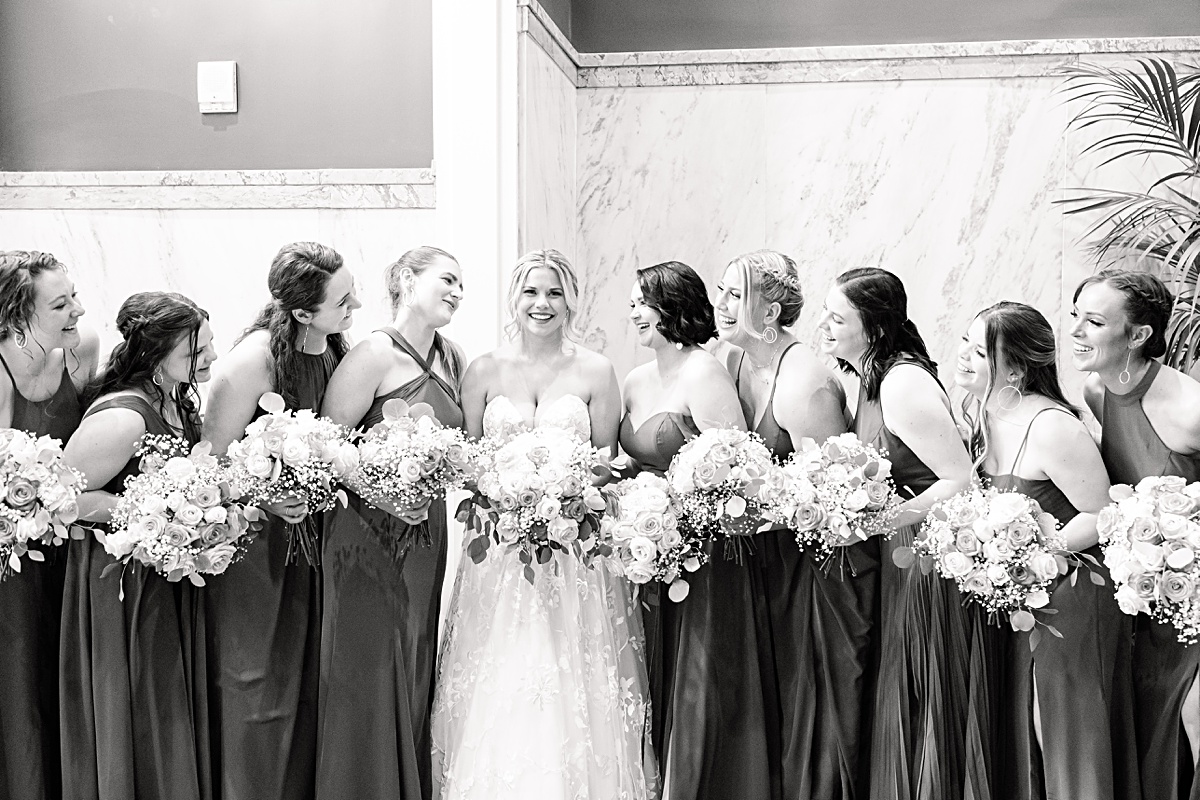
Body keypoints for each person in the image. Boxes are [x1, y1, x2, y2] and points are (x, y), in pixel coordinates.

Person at [432, 249, 654, 799]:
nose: (542, 303)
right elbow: (469, 463)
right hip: (500, 554)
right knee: (502, 673)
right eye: (532, 292)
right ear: (514, 299)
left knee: (571, 675)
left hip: (575, 554)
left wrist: (565, 493)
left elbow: (608, 464)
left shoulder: (597, 370)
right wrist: (510, 498)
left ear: (571, 301)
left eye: (554, 293)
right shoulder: (482, 370)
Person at [958, 301, 1137, 800]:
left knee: (1056, 725)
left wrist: (1031, 554)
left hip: (1070, 596)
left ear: (1014, 369)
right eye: (965, 344)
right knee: (1022, 722)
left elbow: (1103, 513)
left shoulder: (1053, 427)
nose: (963, 357)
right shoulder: (985, 413)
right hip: (1017, 598)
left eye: (979, 351)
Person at [202, 242, 359, 800]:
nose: (355, 306)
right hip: (257, 551)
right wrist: (266, 497)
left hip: (319, 545)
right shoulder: (252, 362)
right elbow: (207, 463)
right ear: (300, 312)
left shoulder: (338, 352)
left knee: (310, 683)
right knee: (258, 687)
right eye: (343, 300)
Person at [817, 267, 979, 800]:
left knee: (919, 696)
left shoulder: (901, 383)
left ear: (874, 328)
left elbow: (960, 481)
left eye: (837, 318)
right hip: (895, 555)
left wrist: (879, 519)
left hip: (924, 558)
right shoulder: (867, 377)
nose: (826, 325)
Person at [713, 249, 870, 799]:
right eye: (723, 290)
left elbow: (832, 494)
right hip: (755, 562)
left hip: (809, 569)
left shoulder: (805, 382)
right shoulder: (732, 361)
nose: (723, 304)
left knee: (803, 697)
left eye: (738, 294)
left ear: (772, 311)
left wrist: (746, 510)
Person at [316, 246, 463, 800]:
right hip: (366, 533)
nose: (455, 292)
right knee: (368, 667)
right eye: (446, 280)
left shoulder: (452, 358)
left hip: (427, 533)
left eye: (460, 286)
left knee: (415, 655)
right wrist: (384, 490)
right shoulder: (372, 354)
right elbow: (326, 443)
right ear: (406, 279)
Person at [60, 291, 218, 800]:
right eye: (196, 354)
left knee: (167, 702)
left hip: (165, 573)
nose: (210, 360)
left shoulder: (176, 401)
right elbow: (62, 498)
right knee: (140, 704)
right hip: (120, 587)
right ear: (153, 359)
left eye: (208, 347)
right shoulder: (124, 418)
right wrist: (148, 513)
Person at [619, 259, 747, 799]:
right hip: (640, 548)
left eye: (639, 304)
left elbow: (739, 464)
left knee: (695, 679)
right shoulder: (635, 378)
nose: (632, 316)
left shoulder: (703, 371)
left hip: (699, 553)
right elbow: (633, 459)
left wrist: (678, 508)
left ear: (670, 305)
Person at [1072, 269, 1200, 800]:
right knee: (1149, 720)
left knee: (1191, 718)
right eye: (1075, 315)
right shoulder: (1096, 389)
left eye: (1094, 321)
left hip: (1193, 597)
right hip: (1141, 595)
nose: (1076, 331)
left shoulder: (1189, 409)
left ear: (1140, 335)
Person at [0, 251, 97, 800]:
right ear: (17, 314)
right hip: (13, 556)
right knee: (21, 675)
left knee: (67, 675)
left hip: (72, 546)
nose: (78, 311)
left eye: (74, 296)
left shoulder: (82, 352)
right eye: (60, 304)